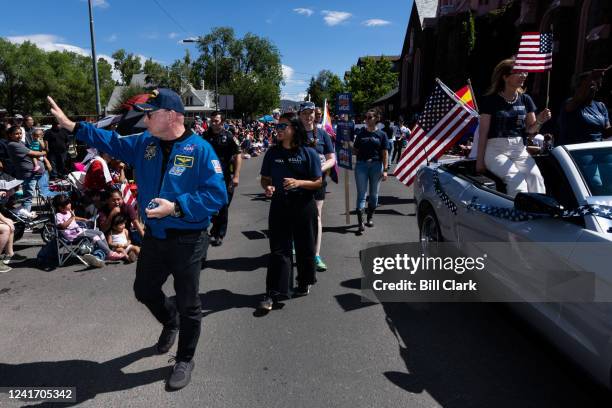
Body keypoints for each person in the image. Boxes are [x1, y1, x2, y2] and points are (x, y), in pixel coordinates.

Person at [48, 87, 227, 391]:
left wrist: (178, 207)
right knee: (144, 290)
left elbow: (216, 195)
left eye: (151, 113)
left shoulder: (201, 150)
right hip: (156, 238)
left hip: (189, 240)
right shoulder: (146, 143)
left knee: (189, 302)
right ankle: (170, 321)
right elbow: (112, 141)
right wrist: (72, 126)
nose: (146, 119)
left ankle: (185, 358)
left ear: (170, 116)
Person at [258, 112, 322, 311]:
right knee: (278, 250)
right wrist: (267, 187)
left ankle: (304, 281)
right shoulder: (272, 153)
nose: (277, 130)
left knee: (305, 248)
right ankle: (273, 293)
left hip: (304, 206)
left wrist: (299, 183)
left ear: (294, 129)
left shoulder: (308, 153)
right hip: (279, 206)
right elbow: (265, 179)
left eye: (282, 127)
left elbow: (318, 182)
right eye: (277, 127)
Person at [475, 58, 551, 197]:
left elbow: (531, 131)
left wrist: (540, 120)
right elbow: (483, 133)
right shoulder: (490, 100)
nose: (523, 75)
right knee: (517, 182)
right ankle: (517, 217)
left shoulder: (526, 99)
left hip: (519, 149)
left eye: (525, 72)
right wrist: (480, 161)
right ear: (505, 77)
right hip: (495, 150)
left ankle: (538, 214)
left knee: (536, 177)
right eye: (518, 72)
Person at [299, 101, 336, 272]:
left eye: (311, 113)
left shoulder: (323, 134)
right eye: (305, 113)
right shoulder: (295, 135)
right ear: (300, 115)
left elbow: (332, 158)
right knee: (297, 216)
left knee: (317, 217)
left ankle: (316, 255)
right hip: (298, 182)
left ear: (315, 115)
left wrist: (320, 167)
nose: (308, 116)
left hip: (318, 180)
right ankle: (296, 244)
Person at [203, 111, 242, 247]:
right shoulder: (205, 136)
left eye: (216, 121)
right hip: (207, 177)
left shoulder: (229, 137)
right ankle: (214, 229)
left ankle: (219, 234)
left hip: (224, 177)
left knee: (223, 205)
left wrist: (236, 176)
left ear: (223, 122)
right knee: (211, 205)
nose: (213, 123)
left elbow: (238, 155)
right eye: (212, 121)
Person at [52, 194, 116, 268]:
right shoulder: (58, 215)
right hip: (72, 236)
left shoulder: (68, 212)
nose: (70, 205)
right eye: (67, 204)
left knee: (100, 233)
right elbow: (62, 226)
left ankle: (107, 252)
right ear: (61, 208)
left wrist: (84, 219)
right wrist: (71, 217)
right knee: (94, 236)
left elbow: (74, 218)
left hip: (78, 231)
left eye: (69, 203)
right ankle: (110, 253)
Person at [353, 109, 389, 234]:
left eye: (369, 117)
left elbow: (385, 153)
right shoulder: (360, 134)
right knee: (361, 194)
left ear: (376, 119)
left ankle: (370, 217)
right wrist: (346, 146)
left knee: (374, 195)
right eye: (366, 117)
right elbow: (355, 150)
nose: (366, 120)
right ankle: (360, 223)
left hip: (376, 166)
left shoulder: (382, 135)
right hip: (361, 165)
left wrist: (385, 169)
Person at [558, 69, 611, 145]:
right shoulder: (570, 103)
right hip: (574, 150)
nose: (590, 87)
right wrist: (591, 76)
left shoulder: (601, 106)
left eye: (593, 84)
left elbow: (606, 132)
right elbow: (580, 96)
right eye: (587, 85)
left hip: (596, 149)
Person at [6, 126, 47, 218]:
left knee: (34, 195)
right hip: (28, 174)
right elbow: (33, 153)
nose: (19, 135)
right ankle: (25, 218)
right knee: (28, 197)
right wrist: (43, 153)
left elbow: (35, 149)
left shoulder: (21, 143)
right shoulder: (12, 144)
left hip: (35, 173)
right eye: (16, 134)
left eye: (20, 133)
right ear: (10, 135)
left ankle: (25, 215)